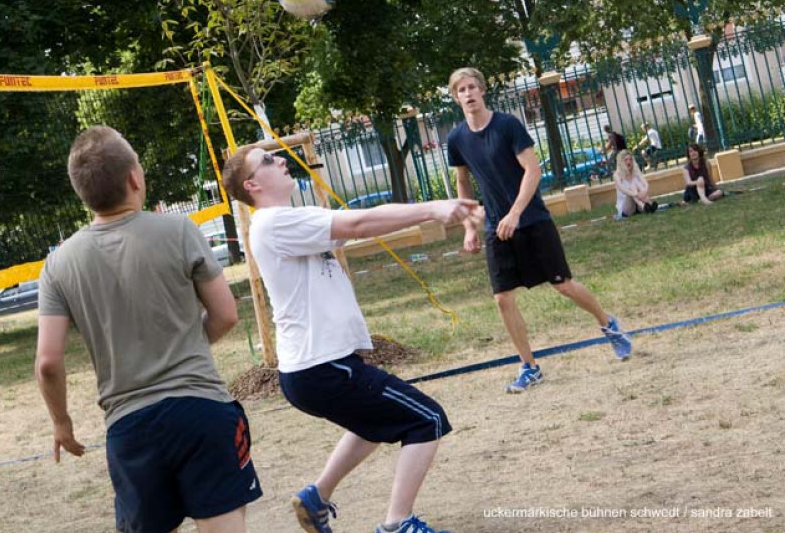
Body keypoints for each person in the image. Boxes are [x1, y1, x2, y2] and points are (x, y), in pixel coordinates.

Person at [222, 147, 481, 533]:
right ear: (252, 184)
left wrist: (438, 213)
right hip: (321, 368)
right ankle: (397, 524)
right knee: (427, 420)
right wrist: (433, 208)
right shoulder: (273, 223)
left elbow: (362, 225)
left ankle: (316, 497)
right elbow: (358, 224)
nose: (281, 160)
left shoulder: (285, 221)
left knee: (372, 424)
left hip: (317, 368)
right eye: (268, 160)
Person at [36, 126, 262, 533]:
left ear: (82, 193)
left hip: (129, 425)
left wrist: (61, 423)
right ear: (134, 178)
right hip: (202, 410)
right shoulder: (178, 230)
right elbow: (226, 315)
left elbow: (48, 363)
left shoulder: (59, 263)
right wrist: (186, 344)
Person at [446, 67, 632, 394]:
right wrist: (469, 227)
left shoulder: (507, 125)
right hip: (495, 226)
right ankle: (529, 367)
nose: (469, 93)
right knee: (503, 298)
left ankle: (609, 324)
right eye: (462, 90)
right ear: (455, 97)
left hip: (531, 220)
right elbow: (463, 181)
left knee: (564, 285)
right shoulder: (457, 138)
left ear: (483, 90)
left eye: (473, 86)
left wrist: (516, 213)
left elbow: (533, 169)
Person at [613, 149, 657, 218]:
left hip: (639, 203)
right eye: (626, 160)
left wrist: (644, 192)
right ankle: (648, 203)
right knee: (632, 186)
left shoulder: (635, 170)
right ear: (621, 162)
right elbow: (622, 189)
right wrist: (636, 194)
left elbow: (646, 184)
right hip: (627, 208)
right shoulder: (617, 174)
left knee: (637, 184)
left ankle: (647, 204)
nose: (629, 162)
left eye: (630, 159)